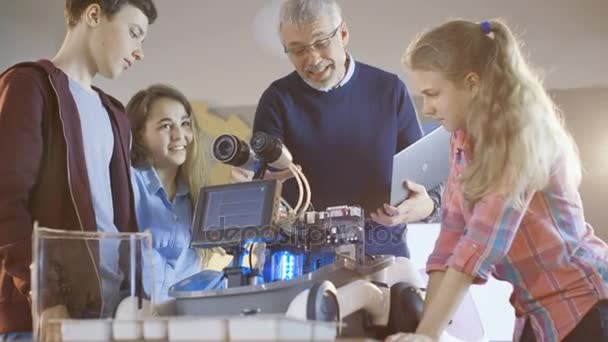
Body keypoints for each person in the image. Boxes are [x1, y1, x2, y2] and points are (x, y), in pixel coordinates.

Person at [386, 19, 608, 342]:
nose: (427, 107)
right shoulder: (460, 140)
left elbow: (479, 246)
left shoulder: (517, 137)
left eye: (433, 94)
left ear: (472, 84)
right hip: (535, 311)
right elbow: (449, 243)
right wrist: (424, 333)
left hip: (584, 304)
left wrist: (428, 334)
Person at [0, 0, 157, 338]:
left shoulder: (114, 113)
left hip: (111, 318)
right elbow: (5, 202)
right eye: (134, 33)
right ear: (94, 14)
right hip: (47, 321)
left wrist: (138, 299)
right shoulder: (29, 85)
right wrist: (45, 294)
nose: (139, 51)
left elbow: (122, 223)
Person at [253, 0, 440, 258]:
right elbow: (261, 181)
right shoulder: (276, 100)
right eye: (298, 50)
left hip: (381, 256)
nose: (313, 59)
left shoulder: (389, 90)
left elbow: (426, 180)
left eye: (321, 43)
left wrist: (426, 205)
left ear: (343, 34)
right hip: (299, 261)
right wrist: (261, 188)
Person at [127, 84, 229, 303]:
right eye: (166, 126)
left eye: (185, 124)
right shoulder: (128, 183)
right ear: (139, 135)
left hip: (182, 322)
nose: (179, 135)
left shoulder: (194, 195)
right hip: (133, 321)